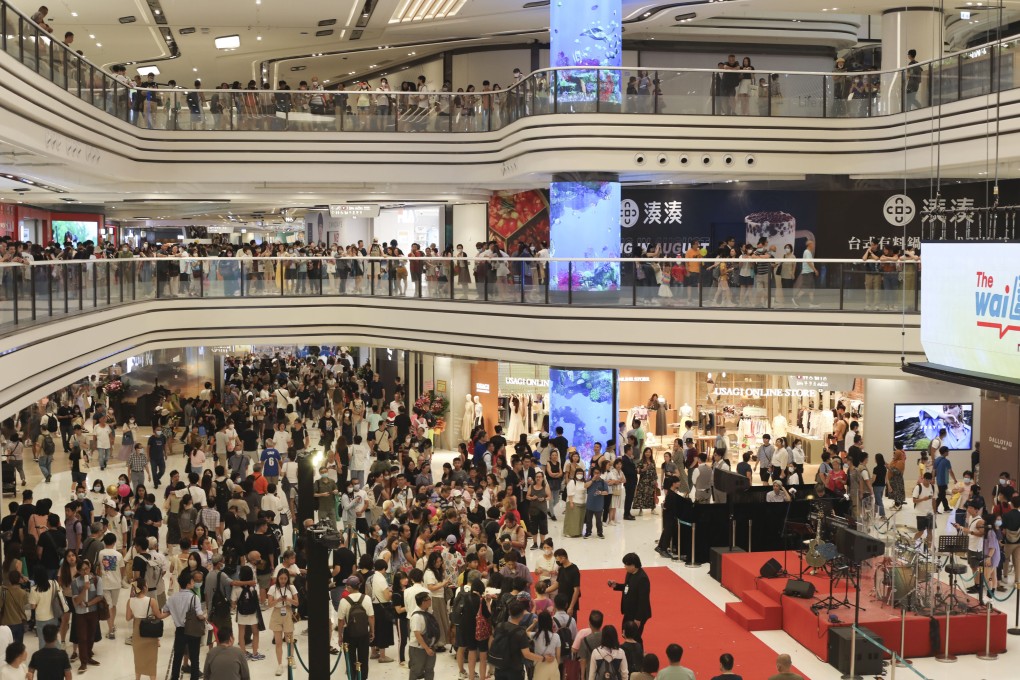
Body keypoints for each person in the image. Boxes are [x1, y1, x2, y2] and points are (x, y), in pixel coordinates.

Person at [490, 600, 551, 680]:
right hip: (514, 669)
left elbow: (492, 642)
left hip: (499, 666)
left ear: (509, 612)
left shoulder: (500, 626)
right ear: (522, 614)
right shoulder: (520, 632)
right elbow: (527, 654)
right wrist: (543, 658)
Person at [164, 571, 206, 680]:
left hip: (179, 630)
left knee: (177, 656)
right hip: (192, 630)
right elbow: (199, 614)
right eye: (192, 581)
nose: (194, 582)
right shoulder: (194, 598)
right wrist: (205, 617)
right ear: (188, 583)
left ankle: (174, 677)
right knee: (194, 657)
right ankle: (194, 677)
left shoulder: (172, 598)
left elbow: (165, 610)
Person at [125, 579, 169, 680]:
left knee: (138, 657)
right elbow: (159, 616)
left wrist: (136, 613)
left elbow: (128, 618)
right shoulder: (151, 601)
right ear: (144, 587)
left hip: (137, 631)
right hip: (149, 631)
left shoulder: (130, 601)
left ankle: (137, 678)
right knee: (151, 658)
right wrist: (169, 612)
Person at [338, 575, 374, 680]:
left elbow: (340, 621)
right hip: (363, 633)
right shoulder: (366, 598)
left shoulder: (344, 601)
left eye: (346, 586)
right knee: (364, 659)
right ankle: (363, 678)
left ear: (349, 587)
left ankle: (352, 677)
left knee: (350, 659)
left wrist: (340, 636)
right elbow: (371, 617)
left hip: (349, 634)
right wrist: (372, 631)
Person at [608, 553, 650, 640]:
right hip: (629, 611)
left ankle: (637, 648)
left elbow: (643, 601)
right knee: (626, 633)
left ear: (633, 565)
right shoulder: (630, 573)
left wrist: (638, 618)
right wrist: (616, 586)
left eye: (626, 565)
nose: (625, 567)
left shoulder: (642, 579)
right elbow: (628, 586)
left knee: (635, 637)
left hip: (637, 614)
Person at [266, 569, 298, 676]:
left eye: (285, 578)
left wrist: (288, 599)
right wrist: (278, 600)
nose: (283, 580)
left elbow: (297, 603)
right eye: (281, 578)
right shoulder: (273, 588)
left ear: (288, 578)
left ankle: (291, 658)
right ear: (277, 578)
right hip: (276, 614)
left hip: (288, 612)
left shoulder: (291, 587)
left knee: (290, 640)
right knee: (278, 642)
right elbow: (269, 605)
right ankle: (279, 664)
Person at [408, 592, 438, 680]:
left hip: (430, 645)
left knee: (429, 669)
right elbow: (417, 634)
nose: (430, 601)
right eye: (429, 599)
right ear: (423, 602)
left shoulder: (427, 612)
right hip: (418, 648)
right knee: (416, 670)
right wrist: (427, 649)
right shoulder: (416, 616)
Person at [583, 468, 609, 539]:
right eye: (595, 473)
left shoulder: (603, 482)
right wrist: (592, 480)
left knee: (598, 520)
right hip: (590, 504)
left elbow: (607, 492)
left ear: (600, 474)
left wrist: (601, 492)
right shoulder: (589, 480)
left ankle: (600, 533)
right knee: (588, 520)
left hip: (599, 505)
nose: (596, 474)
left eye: (598, 473)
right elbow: (585, 486)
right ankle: (588, 532)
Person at [934, 445, 957, 513]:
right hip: (943, 480)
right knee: (941, 495)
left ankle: (946, 508)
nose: (948, 452)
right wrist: (954, 479)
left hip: (938, 480)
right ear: (944, 452)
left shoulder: (936, 460)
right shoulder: (946, 461)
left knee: (943, 494)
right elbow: (950, 471)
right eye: (947, 451)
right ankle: (935, 508)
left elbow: (934, 470)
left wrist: (932, 478)